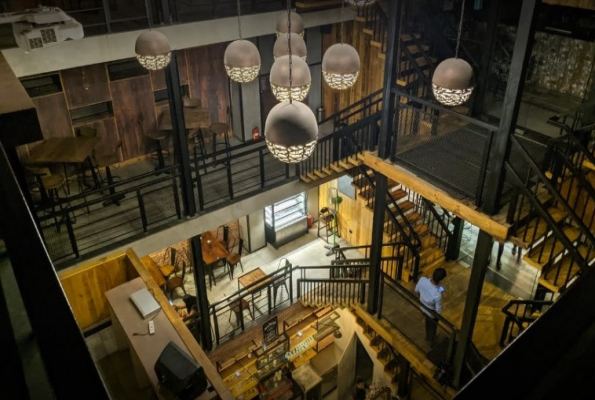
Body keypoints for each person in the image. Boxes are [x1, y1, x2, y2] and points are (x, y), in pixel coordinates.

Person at [415, 267, 447, 344]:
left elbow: (416, 291)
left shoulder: (422, 280)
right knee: (433, 327)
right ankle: (432, 341)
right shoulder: (437, 295)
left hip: (422, 307)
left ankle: (428, 337)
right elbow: (438, 310)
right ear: (441, 279)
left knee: (427, 323)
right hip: (432, 313)